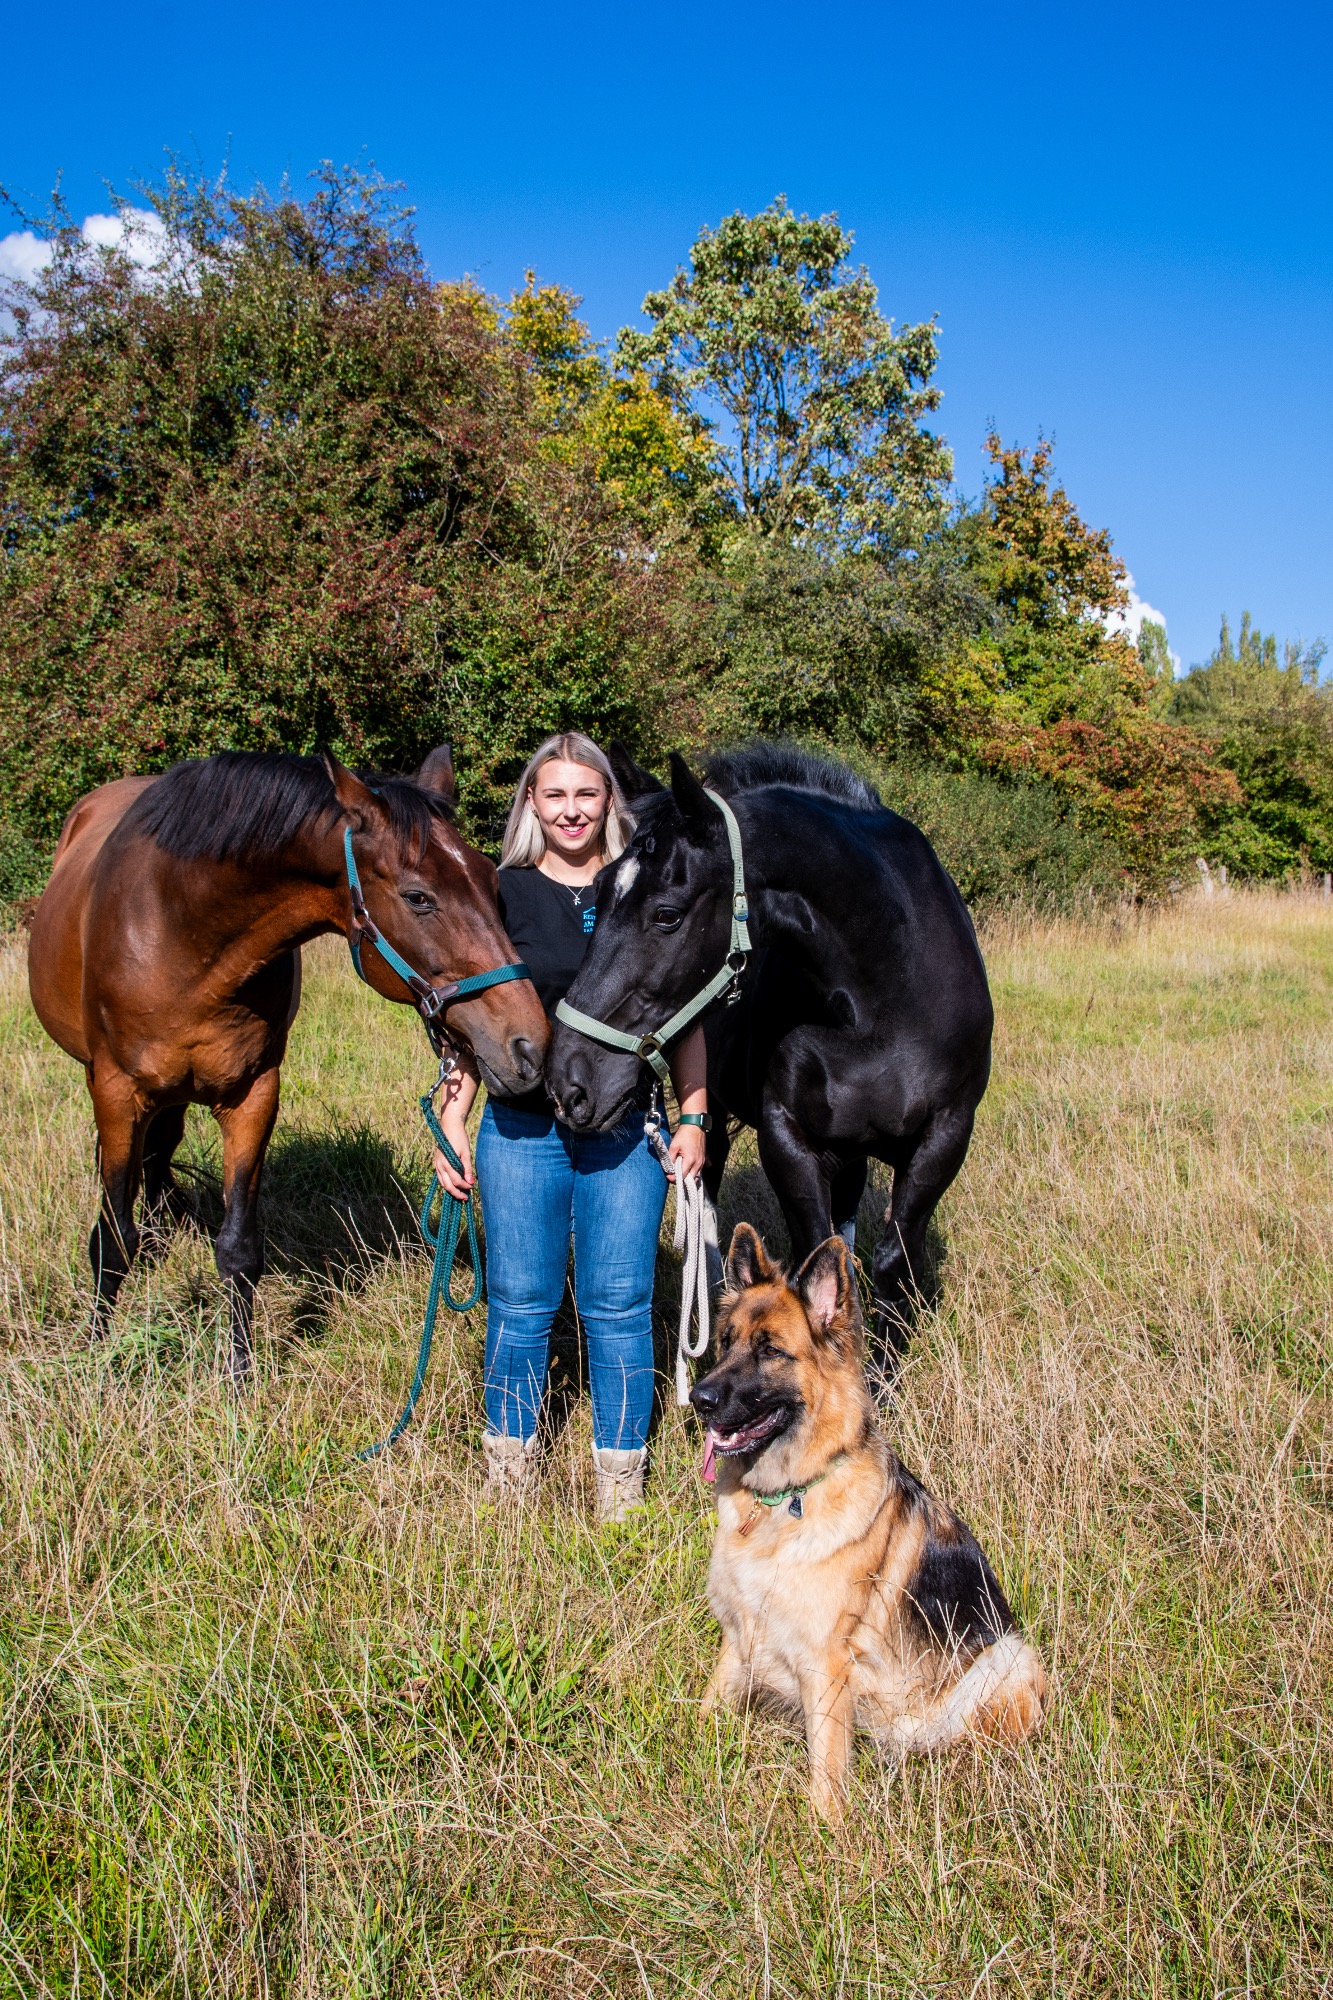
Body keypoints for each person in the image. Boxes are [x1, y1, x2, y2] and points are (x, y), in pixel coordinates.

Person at [433, 732, 708, 1521]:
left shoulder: (641, 885)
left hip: (624, 1132)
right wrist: (453, 1117)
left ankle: (619, 1491)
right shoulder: (499, 893)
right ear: (531, 802)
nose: (571, 810)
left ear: (608, 800)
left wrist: (693, 1115)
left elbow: (682, 1010)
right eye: (554, 794)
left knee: (618, 1305)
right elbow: (470, 1018)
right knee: (520, 1304)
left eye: (586, 793)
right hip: (521, 1130)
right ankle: (509, 1483)